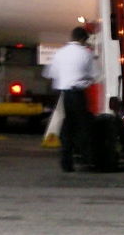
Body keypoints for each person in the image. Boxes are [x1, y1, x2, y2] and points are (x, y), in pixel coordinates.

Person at [43, 26, 100, 172]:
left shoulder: (60, 53)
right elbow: (95, 75)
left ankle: (66, 161)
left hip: (64, 94)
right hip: (78, 93)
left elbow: (50, 74)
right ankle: (85, 158)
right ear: (82, 39)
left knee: (67, 126)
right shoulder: (86, 54)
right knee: (82, 126)